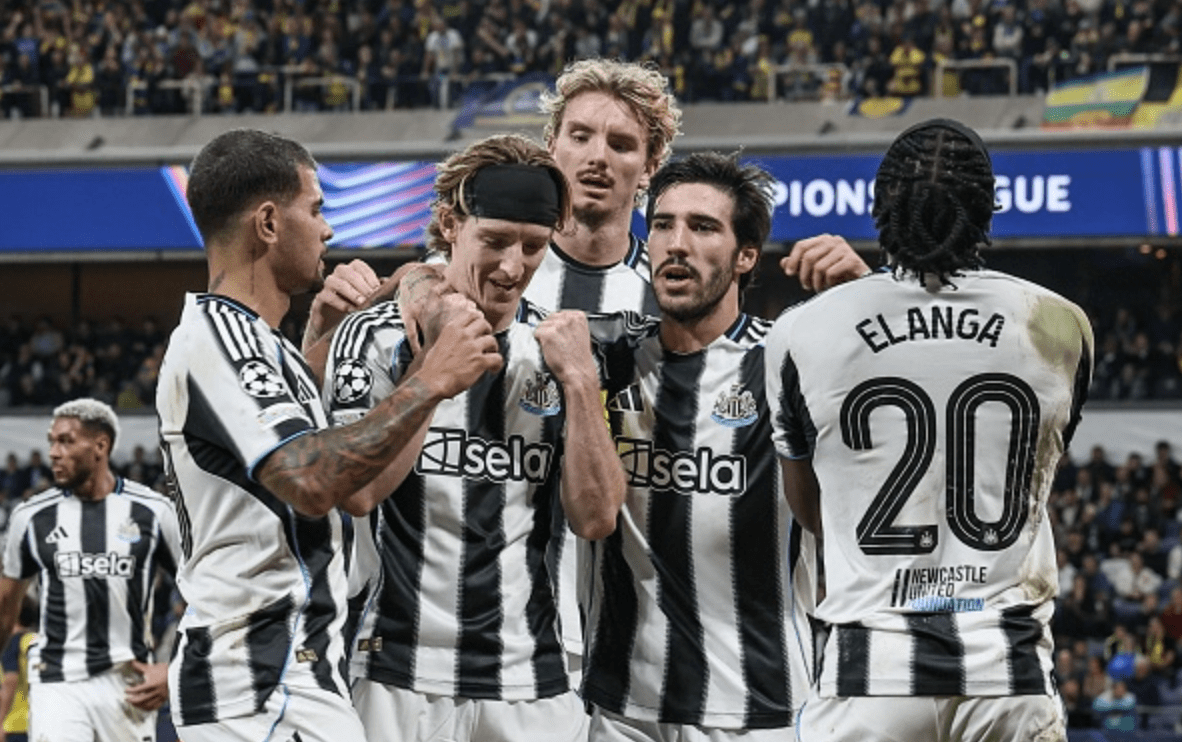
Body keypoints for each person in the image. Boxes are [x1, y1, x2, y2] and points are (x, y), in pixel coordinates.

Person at [156, 128, 502, 742]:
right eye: (315, 210)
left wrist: (330, 331)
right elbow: (312, 479)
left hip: (287, 674)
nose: (328, 230)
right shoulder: (219, 336)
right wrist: (433, 378)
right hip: (261, 679)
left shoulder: (259, 344)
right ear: (268, 223)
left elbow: (308, 447)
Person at [766, 118, 1093, 741]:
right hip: (1009, 671)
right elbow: (1034, 472)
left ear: (880, 206)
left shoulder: (800, 330)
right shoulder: (1062, 324)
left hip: (869, 671)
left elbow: (812, 513)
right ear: (988, 209)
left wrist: (863, 293)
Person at [323, 133, 625, 742]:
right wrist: (433, 375)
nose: (513, 267)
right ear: (450, 225)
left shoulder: (561, 350)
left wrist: (580, 381)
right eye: (494, 241)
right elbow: (356, 493)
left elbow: (595, 518)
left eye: (534, 246)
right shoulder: (376, 336)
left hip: (532, 677)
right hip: (394, 671)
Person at [572, 151, 816, 740]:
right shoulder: (602, 352)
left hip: (757, 711)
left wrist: (862, 291)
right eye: (662, 224)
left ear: (745, 255)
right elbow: (491, 306)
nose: (676, 244)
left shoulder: (788, 362)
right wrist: (417, 280)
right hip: (621, 711)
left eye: (703, 227)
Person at [0, 398, 180, 742]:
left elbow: (201, 594)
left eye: (66, 441)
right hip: (57, 679)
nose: (54, 452)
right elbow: (6, 606)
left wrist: (176, 670)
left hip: (129, 683)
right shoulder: (30, 517)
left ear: (101, 446)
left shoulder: (154, 512)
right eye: (52, 441)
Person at [0, 598, 36, 742]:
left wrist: (0, 721)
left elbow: (10, 680)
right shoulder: (34, 639)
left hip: (14, 725)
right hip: (37, 721)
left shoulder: (12, 642)